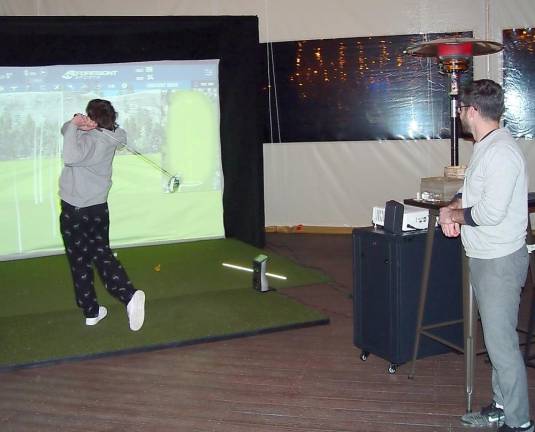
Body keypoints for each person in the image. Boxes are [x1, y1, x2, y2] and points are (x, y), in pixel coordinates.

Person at [439, 79, 532, 432]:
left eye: (462, 109)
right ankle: (501, 406)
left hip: (499, 262)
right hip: (485, 258)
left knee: (502, 345)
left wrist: (455, 216)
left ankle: (519, 421)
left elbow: (489, 213)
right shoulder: (487, 146)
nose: (460, 114)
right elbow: (471, 190)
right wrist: (451, 208)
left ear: (473, 111)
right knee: (496, 342)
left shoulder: (502, 152)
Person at [59, 99, 145, 331]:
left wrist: (73, 125)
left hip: (74, 211)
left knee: (80, 261)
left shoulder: (87, 142)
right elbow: (121, 134)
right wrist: (87, 126)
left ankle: (124, 297)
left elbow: (69, 156)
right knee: (100, 253)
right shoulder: (113, 136)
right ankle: (95, 311)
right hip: (98, 209)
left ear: (93, 118)